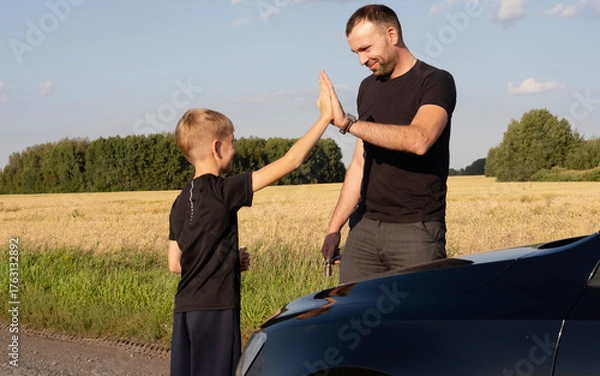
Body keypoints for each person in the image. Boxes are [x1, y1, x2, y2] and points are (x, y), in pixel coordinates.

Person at [167, 71, 333, 376]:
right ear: (217, 148)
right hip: (216, 309)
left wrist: (229, 258)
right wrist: (324, 117)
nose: (235, 148)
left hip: (186, 309)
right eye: (233, 142)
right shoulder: (223, 190)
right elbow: (290, 162)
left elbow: (176, 263)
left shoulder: (179, 201)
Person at [320, 4, 457, 284]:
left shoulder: (435, 81)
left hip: (415, 232)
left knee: (416, 323)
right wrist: (335, 227)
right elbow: (360, 163)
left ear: (391, 34)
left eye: (366, 48)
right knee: (352, 319)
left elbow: (420, 139)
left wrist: (347, 123)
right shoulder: (366, 89)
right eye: (355, 52)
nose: (361, 60)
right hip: (364, 230)